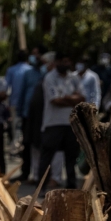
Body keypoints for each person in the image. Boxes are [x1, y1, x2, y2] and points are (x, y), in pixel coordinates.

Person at [40, 52, 84, 189]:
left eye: (67, 62)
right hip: (53, 123)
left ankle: (71, 186)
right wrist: (71, 99)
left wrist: (65, 98)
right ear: (57, 62)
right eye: (63, 61)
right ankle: (42, 186)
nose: (65, 65)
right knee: (48, 156)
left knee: (71, 157)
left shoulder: (74, 78)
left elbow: (81, 97)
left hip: (70, 123)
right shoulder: (49, 78)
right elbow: (55, 101)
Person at [13, 47, 44, 182]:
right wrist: (19, 110)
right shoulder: (28, 73)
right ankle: (25, 172)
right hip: (27, 113)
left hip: (43, 114)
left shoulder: (46, 73)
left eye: (38, 55)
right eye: (33, 55)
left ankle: (40, 174)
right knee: (27, 143)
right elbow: (22, 92)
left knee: (40, 144)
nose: (35, 58)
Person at [6, 50, 32, 149]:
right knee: (25, 126)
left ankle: (17, 145)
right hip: (27, 104)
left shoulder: (12, 70)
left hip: (15, 102)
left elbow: (7, 87)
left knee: (16, 125)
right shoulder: (30, 70)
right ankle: (24, 145)